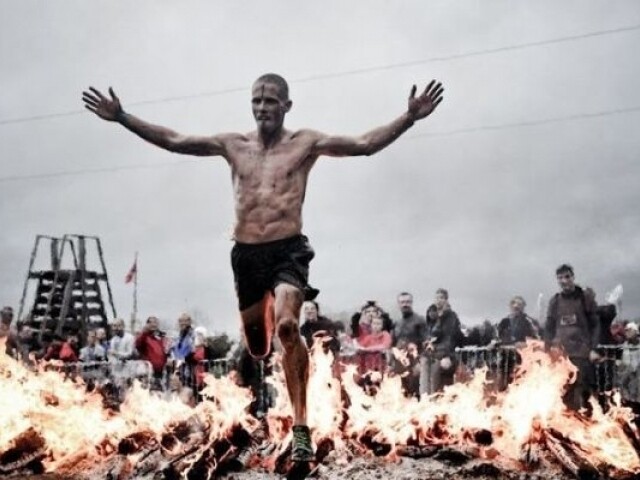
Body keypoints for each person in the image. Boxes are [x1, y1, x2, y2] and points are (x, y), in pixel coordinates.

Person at [83, 73, 444, 461]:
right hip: (247, 256)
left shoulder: (305, 143)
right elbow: (175, 142)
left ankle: (301, 425)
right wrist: (122, 117)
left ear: (286, 105)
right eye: (257, 100)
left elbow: (364, 145)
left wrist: (408, 118)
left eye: (271, 101)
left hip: (288, 251)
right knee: (257, 348)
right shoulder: (232, 145)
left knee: (289, 328)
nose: (262, 108)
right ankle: (265, 324)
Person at [545, 264, 601, 412]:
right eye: (560, 278)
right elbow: (549, 327)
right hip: (561, 356)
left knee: (584, 393)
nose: (564, 281)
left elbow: (596, 325)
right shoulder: (555, 301)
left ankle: (589, 427)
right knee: (563, 392)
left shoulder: (584, 298)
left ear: (573, 277)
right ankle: (566, 429)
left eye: (567, 277)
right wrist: (547, 349)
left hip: (582, 354)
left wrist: (593, 349)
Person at [420, 288, 464, 395]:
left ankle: (433, 397)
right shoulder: (432, 316)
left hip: (444, 352)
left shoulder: (451, 316)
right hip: (431, 351)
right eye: (437, 298)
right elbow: (428, 335)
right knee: (424, 364)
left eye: (441, 298)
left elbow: (450, 338)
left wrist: (447, 355)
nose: (438, 300)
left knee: (435, 368)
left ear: (446, 300)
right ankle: (424, 397)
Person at [135, 316, 168, 390]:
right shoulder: (144, 337)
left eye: (155, 322)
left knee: (159, 392)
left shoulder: (161, 337)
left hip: (161, 372)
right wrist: (144, 333)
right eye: (151, 322)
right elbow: (137, 344)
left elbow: (165, 350)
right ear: (147, 324)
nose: (153, 324)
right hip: (148, 371)